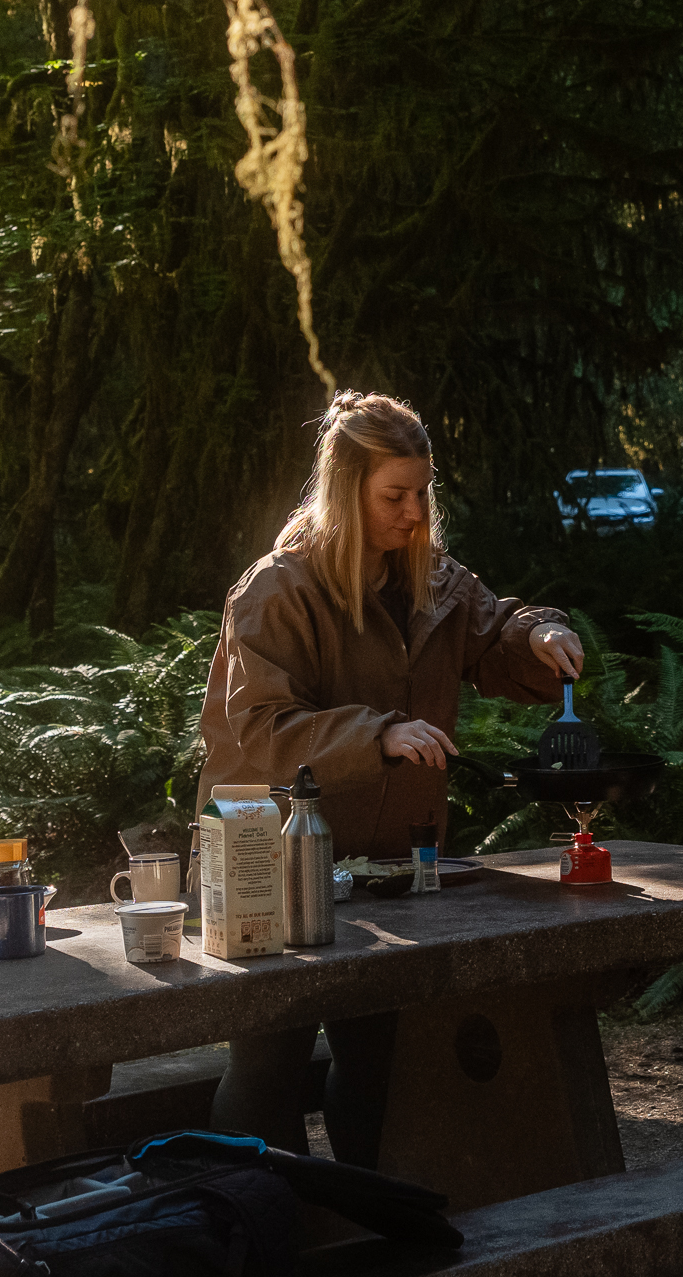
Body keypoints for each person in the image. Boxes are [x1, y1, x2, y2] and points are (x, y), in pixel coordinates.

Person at [197, 391, 585, 1162]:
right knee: (269, 1066)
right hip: (267, 863)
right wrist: (380, 734)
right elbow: (262, 729)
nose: (414, 512)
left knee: (379, 1064)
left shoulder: (431, 579)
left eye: (422, 492)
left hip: (389, 867)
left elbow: (493, 628)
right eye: (394, 496)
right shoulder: (277, 590)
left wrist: (539, 632)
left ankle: (370, 1230)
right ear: (346, 491)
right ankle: (262, 1241)